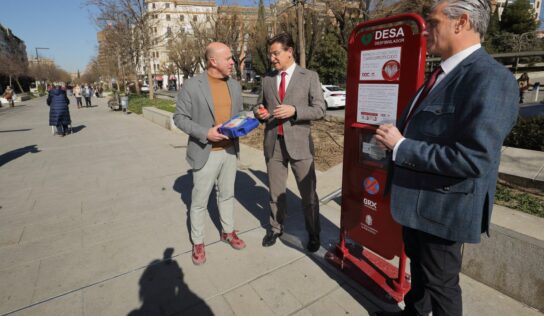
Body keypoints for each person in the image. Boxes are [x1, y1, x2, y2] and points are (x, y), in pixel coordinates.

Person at [374, 1, 519, 315]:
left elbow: (473, 158)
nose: (425, 29)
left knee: (442, 287)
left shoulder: (491, 79)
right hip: (415, 200)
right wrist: (394, 141)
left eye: (432, 21)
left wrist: (401, 147)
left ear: (461, 22)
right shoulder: (440, 74)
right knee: (422, 278)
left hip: (443, 208)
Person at [173, 42, 246, 265]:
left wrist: (250, 119)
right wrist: (206, 132)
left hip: (230, 151)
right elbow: (180, 118)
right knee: (199, 202)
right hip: (205, 152)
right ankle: (198, 242)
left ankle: (228, 231)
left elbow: (240, 113)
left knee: (227, 195)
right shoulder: (192, 86)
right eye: (229, 59)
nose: (233, 62)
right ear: (213, 61)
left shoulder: (234, 85)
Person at [253, 33, 326, 253]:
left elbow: (320, 109)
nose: (272, 58)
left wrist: (295, 111)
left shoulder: (309, 76)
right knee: (275, 192)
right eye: (270, 54)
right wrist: (260, 112)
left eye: (276, 53)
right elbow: (258, 105)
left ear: (289, 51)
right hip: (273, 143)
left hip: (300, 144)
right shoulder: (267, 78)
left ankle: (313, 232)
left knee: (309, 194)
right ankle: (275, 228)